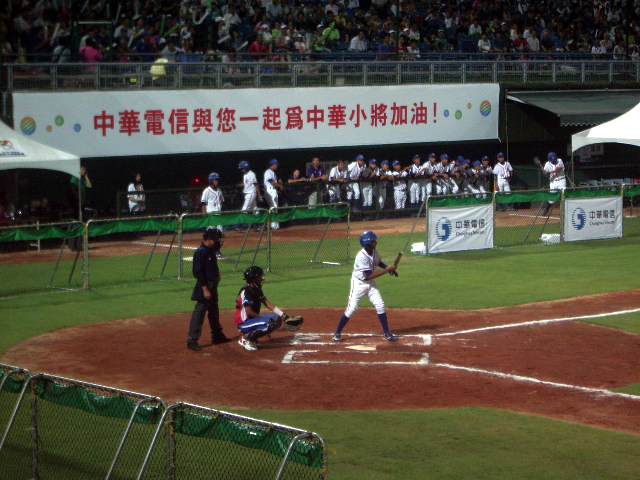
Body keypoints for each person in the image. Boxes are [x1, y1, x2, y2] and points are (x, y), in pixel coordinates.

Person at [333, 231, 398, 342]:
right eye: (374, 241)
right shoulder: (361, 257)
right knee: (352, 309)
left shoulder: (374, 251)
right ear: (368, 244)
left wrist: (389, 269)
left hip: (370, 283)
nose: (376, 242)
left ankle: (387, 333)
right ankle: (337, 334)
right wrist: (387, 270)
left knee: (380, 305)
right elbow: (370, 274)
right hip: (359, 284)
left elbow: (379, 262)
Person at [187, 227, 229, 351]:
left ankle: (217, 335)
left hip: (212, 285)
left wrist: (217, 276)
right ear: (209, 239)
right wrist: (205, 289)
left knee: (214, 311)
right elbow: (198, 273)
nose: (218, 241)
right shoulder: (201, 252)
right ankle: (192, 340)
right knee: (200, 312)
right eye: (216, 239)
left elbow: (213, 267)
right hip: (204, 286)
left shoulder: (210, 250)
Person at [235, 265, 289, 351]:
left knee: (276, 320)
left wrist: (284, 316)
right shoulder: (246, 291)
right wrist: (265, 323)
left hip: (251, 320)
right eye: (259, 277)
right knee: (270, 323)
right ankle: (245, 338)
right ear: (253, 279)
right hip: (244, 322)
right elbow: (249, 312)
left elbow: (268, 303)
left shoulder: (257, 289)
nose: (261, 279)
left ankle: (252, 336)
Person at [236, 160, 261, 229]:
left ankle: (239, 226)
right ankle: (260, 225)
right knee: (255, 209)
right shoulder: (245, 175)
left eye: (242, 168)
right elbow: (245, 183)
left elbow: (256, 184)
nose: (241, 169)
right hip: (248, 194)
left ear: (246, 167)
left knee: (244, 210)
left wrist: (259, 195)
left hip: (251, 194)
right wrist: (237, 185)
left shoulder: (252, 174)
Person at [201, 172, 224, 239]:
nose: (217, 181)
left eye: (217, 180)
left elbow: (222, 201)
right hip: (211, 214)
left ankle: (218, 248)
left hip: (219, 214)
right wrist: (204, 216)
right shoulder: (206, 191)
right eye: (215, 180)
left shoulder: (219, 190)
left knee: (220, 234)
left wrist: (220, 208)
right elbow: (203, 204)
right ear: (211, 180)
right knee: (210, 235)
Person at [264, 159, 283, 229]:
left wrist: (279, 182)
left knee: (275, 208)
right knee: (273, 208)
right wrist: (279, 185)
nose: (277, 166)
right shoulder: (268, 172)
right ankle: (273, 225)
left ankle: (276, 225)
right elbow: (271, 182)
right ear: (273, 164)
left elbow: (274, 182)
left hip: (274, 191)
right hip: (270, 191)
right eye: (276, 164)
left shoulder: (273, 172)